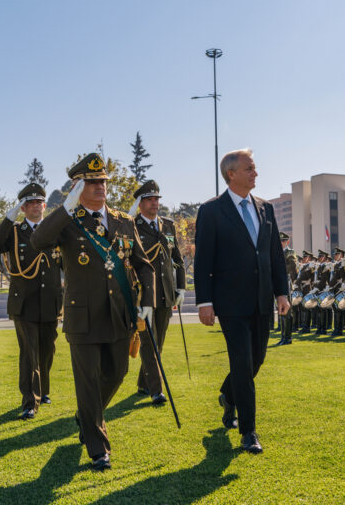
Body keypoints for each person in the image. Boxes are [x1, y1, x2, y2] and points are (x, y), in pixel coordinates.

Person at [30, 153, 154, 471]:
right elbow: (38, 240)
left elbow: (142, 264)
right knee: (87, 383)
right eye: (92, 182)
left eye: (102, 181)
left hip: (119, 314)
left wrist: (148, 302)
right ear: (77, 186)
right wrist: (66, 207)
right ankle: (98, 448)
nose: (100, 186)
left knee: (117, 374)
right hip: (82, 317)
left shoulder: (123, 221)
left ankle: (85, 417)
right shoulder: (68, 221)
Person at [194, 148, 289, 454]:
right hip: (230, 303)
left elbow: (274, 255)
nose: (255, 173)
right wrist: (204, 301)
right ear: (231, 174)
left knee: (255, 360)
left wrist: (282, 292)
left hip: (262, 300)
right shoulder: (211, 211)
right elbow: (203, 260)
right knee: (242, 362)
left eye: (254, 168)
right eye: (249, 168)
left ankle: (228, 395)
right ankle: (249, 432)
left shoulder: (266, 208)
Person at [0, 183, 63, 420]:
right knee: (29, 354)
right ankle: (30, 401)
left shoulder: (55, 231)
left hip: (50, 301)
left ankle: (43, 390)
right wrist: (9, 218)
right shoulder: (15, 231)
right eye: (30, 203)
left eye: (39, 202)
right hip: (24, 303)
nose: (35, 207)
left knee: (47, 350)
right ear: (23, 208)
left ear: (45, 205)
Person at [129, 180, 186, 404]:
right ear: (140, 203)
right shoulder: (132, 226)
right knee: (148, 342)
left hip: (165, 293)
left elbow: (177, 259)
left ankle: (143, 383)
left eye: (156, 199)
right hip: (144, 295)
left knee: (158, 343)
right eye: (149, 199)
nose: (154, 203)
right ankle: (156, 390)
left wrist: (180, 287)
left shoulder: (168, 225)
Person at [277, 233, 298, 346]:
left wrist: (280, 269)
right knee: (281, 311)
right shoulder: (277, 252)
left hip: (287, 282)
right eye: (280, 241)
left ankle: (288, 338)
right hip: (279, 282)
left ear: (287, 242)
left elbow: (293, 266)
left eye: (283, 241)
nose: (281, 243)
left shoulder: (290, 252)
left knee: (287, 311)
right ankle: (283, 337)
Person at [328, 247, 345, 336]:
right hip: (334, 289)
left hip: (339, 289)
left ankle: (339, 329)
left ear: (341, 255)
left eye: (336, 254)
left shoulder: (342, 265)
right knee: (335, 309)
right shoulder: (336, 265)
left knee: (338, 309)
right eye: (334, 254)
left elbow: (343, 277)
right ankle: (336, 328)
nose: (334, 256)